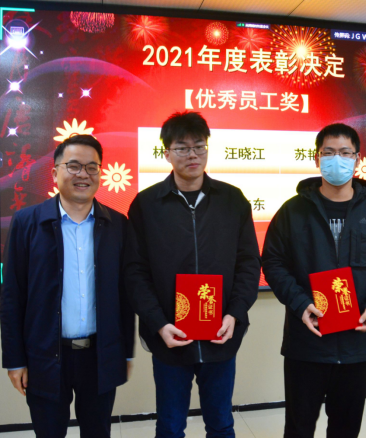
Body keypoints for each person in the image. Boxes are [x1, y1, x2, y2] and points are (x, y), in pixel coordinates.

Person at [125, 111, 260, 437]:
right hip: (170, 337)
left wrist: (234, 313)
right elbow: (134, 272)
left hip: (220, 335)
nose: (192, 155)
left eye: (199, 146)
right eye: (182, 148)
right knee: (170, 426)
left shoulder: (233, 200)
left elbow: (248, 264)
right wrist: (159, 323)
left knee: (221, 423)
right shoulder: (146, 204)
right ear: (166, 153)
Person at [262, 123, 366, 438]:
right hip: (306, 343)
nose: (337, 159)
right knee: (299, 428)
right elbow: (273, 263)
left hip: (356, 344)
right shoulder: (292, 212)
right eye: (329, 153)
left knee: (346, 429)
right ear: (317, 158)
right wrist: (300, 304)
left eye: (345, 153)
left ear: (357, 158)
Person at [0, 134, 135, 438]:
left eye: (92, 167)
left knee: (98, 432)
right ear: (55, 172)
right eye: (73, 166)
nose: (83, 174)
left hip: (99, 355)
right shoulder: (27, 222)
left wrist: (125, 353)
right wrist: (15, 360)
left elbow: (124, 296)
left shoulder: (117, 224)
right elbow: (12, 297)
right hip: (45, 355)